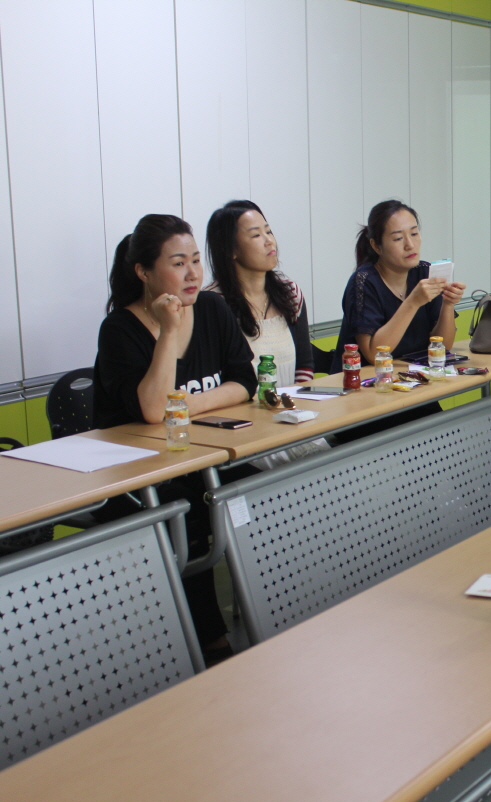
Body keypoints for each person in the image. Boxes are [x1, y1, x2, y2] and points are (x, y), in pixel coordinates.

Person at [93, 213, 256, 663]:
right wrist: (167, 331)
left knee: (259, 485)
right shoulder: (119, 330)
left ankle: (276, 606)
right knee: (188, 510)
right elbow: (150, 409)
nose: (192, 274)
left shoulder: (213, 309)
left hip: (198, 455)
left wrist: (183, 406)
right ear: (143, 273)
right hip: (135, 477)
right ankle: (211, 645)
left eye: (196, 261)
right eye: (178, 263)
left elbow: (245, 381)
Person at [333, 200, 466, 369]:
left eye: (414, 233)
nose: (410, 245)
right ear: (376, 246)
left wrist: (447, 303)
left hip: (411, 377)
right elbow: (374, 355)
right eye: (398, 238)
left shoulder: (424, 272)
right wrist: (413, 302)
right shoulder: (363, 282)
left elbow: (443, 347)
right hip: (367, 380)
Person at [205, 200, 315, 386]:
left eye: (268, 231)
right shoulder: (213, 304)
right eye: (256, 235)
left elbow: (304, 364)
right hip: (242, 404)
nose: (269, 241)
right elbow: (215, 376)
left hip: (291, 402)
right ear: (230, 249)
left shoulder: (290, 293)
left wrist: (296, 398)